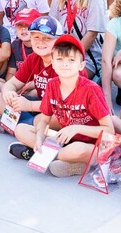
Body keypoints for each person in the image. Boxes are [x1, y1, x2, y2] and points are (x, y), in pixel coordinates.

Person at [7, 34, 112, 177]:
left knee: (76, 150)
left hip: (91, 144)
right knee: (21, 129)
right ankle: (66, 161)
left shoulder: (91, 90)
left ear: (81, 65)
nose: (65, 64)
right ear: (53, 64)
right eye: (60, 60)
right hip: (64, 140)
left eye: (71, 60)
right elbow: (44, 120)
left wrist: (75, 128)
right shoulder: (52, 85)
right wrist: (39, 137)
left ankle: (46, 155)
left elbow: (109, 131)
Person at [0, 15, 62, 135]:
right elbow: (11, 83)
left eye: (47, 38)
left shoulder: (64, 62)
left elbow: (63, 105)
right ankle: (24, 127)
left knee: (58, 117)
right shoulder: (34, 58)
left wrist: (29, 105)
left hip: (58, 109)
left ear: (58, 40)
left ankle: (12, 126)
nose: (40, 42)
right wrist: (9, 93)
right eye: (36, 37)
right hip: (40, 105)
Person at [49, 0, 107, 81]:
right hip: (61, 52)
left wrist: (72, 57)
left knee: (66, 79)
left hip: (86, 56)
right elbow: (53, 27)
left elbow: (92, 33)